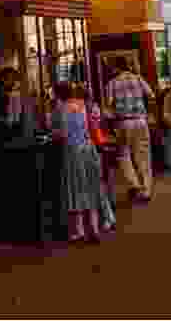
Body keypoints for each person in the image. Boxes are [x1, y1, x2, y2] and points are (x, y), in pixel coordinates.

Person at [51, 81, 116, 242]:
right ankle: (94, 228)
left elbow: (64, 133)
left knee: (74, 189)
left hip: (73, 151)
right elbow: (90, 126)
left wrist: (53, 133)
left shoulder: (61, 108)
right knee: (91, 186)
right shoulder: (82, 105)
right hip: (89, 148)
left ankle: (78, 231)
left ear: (58, 94)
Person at [105, 55, 155, 203]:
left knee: (123, 155)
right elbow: (151, 96)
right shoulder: (138, 79)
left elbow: (107, 108)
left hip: (123, 123)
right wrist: (150, 115)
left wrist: (111, 120)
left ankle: (135, 185)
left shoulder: (112, 84)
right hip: (141, 121)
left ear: (116, 67)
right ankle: (146, 191)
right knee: (143, 156)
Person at [0, 67, 23, 146]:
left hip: (6, 136)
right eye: (12, 79)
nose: (14, 82)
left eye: (15, 79)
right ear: (3, 79)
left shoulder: (7, 94)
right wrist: (6, 119)